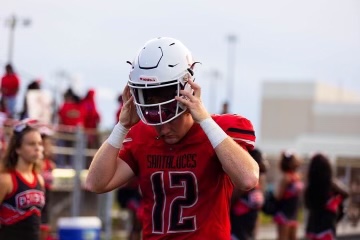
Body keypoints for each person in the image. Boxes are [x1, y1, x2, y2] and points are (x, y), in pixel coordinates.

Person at [85, 37, 259, 239]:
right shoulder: (142, 135)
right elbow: (95, 184)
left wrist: (204, 120)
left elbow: (248, 179)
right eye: (155, 120)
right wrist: (121, 127)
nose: (163, 128)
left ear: (188, 92)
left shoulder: (218, 131)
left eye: (170, 118)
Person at [0, 118, 46, 240]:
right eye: (31, 144)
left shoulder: (39, 179)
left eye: (39, 143)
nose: (37, 148)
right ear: (17, 148)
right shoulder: (6, 180)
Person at [304, 153, 349, 240]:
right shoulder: (331, 185)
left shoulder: (310, 186)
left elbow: (307, 204)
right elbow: (346, 193)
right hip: (327, 227)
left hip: (312, 227)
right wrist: (335, 202)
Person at [230, 148, 269, 240]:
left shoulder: (260, 180)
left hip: (250, 229)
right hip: (238, 228)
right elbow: (231, 201)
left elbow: (257, 211)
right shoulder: (244, 179)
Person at [273, 150, 304, 240]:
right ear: (290, 163)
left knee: (293, 237)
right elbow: (279, 196)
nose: (299, 160)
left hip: (293, 213)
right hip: (284, 213)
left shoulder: (297, 176)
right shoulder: (286, 177)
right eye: (296, 159)